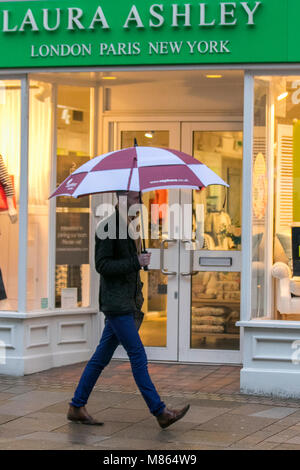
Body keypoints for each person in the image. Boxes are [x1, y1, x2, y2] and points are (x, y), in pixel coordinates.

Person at [67, 190, 190, 428]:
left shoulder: (130, 225)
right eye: (136, 198)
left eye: (141, 198)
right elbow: (102, 265)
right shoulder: (108, 226)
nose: (141, 203)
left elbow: (127, 264)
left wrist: (139, 259)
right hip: (117, 304)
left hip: (127, 302)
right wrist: (136, 261)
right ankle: (160, 411)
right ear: (122, 199)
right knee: (138, 355)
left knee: (100, 358)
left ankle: (76, 406)